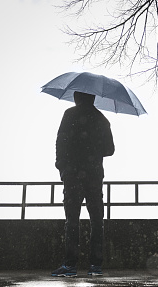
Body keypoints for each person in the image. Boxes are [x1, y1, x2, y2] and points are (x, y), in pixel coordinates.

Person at [51, 91, 115, 277]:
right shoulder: (102, 119)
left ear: (76, 97)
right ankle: (96, 266)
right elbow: (110, 150)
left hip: (72, 176)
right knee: (97, 221)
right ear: (93, 98)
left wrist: (62, 166)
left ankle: (70, 265)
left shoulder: (69, 114)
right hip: (94, 176)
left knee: (72, 220)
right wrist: (93, 148)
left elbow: (60, 142)